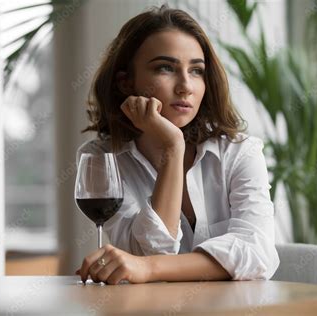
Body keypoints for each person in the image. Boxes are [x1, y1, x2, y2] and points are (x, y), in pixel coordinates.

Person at [75, 5, 279, 285]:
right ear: (126, 82)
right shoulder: (101, 159)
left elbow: (257, 253)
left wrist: (148, 268)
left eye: (196, 71)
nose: (185, 86)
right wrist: (173, 147)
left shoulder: (239, 152)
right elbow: (149, 250)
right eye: (165, 68)